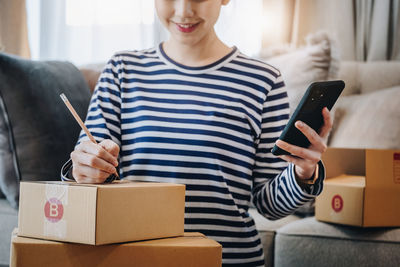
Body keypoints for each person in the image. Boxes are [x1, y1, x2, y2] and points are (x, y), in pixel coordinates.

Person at [61, 0, 332, 266]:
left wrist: (303, 173)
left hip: (229, 258)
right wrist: (84, 168)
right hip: (135, 259)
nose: (183, 11)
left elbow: (269, 206)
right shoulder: (121, 70)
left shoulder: (263, 81)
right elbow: (86, 168)